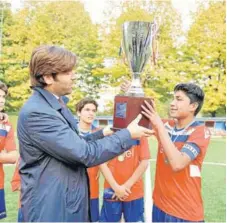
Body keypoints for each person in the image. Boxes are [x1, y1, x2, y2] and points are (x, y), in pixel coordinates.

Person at [17, 45, 153, 222]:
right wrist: (127, 135)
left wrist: (103, 133)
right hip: (51, 209)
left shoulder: (51, 105)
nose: (74, 75)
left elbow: (73, 144)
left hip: (61, 202)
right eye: (67, 72)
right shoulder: (39, 113)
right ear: (48, 77)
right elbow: (84, 154)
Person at [140, 83, 211, 222]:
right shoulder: (167, 126)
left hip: (184, 212)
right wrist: (130, 93)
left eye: (179, 99)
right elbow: (138, 115)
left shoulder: (200, 131)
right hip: (159, 206)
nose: (172, 103)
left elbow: (178, 164)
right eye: (173, 99)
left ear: (193, 106)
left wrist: (159, 126)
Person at [99, 136, 150, 222]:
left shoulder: (140, 135)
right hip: (111, 191)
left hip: (134, 192)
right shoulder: (110, 134)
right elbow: (101, 162)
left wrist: (125, 187)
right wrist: (116, 188)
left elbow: (144, 162)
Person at [75, 98, 101, 222]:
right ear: (78, 113)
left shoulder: (99, 133)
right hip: (73, 188)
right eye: (87, 110)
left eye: (94, 110)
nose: (91, 113)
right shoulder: (70, 132)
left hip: (93, 189)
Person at [0, 81, 18, 220]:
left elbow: (13, 156)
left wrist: (7, 156)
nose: (1, 100)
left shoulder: (6, 124)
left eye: (3, 96)